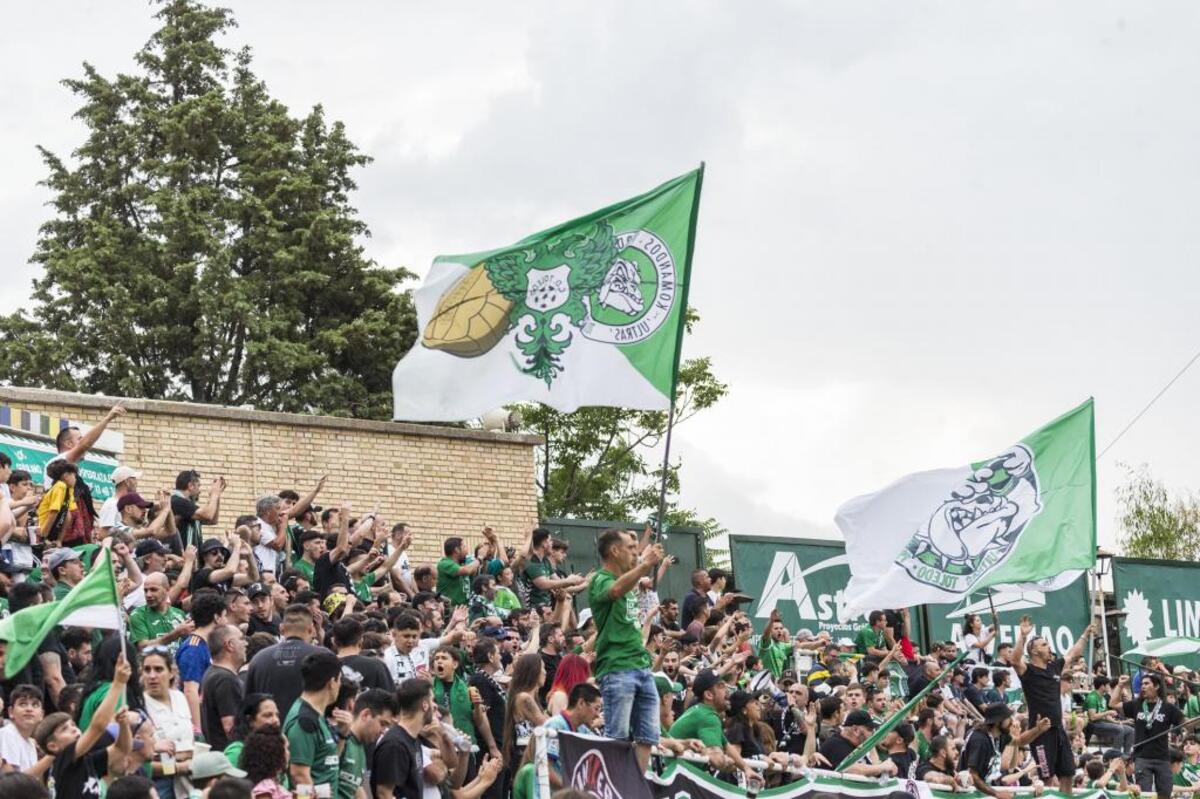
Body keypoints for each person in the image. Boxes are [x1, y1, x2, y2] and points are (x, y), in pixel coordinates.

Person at [589, 527, 664, 772]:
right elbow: (615, 590)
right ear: (614, 551)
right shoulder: (600, 579)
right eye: (630, 549)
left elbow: (631, 580)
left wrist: (647, 564)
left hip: (641, 666)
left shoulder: (630, 578)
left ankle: (635, 787)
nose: (635, 553)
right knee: (617, 737)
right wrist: (645, 565)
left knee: (648, 737)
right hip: (617, 667)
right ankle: (612, 787)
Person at [35, 649, 133, 799]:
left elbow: (122, 750)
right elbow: (98, 726)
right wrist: (118, 683)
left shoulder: (87, 760)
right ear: (53, 746)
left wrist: (124, 726)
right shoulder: (63, 759)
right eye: (64, 729)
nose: (74, 729)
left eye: (73, 725)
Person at [1013, 616, 1094, 794]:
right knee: (1047, 778)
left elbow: (1073, 653)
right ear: (1034, 651)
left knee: (1067, 774)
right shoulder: (1028, 671)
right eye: (1043, 644)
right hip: (1040, 732)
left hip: (1059, 730)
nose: (1048, 646)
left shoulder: (1054, 667)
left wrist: (1085, 635)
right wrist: (1023, 636)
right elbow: (1014, 660)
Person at [1111, 672, 1188, 799]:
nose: (1143, 687)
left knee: (1165, 795)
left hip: (1163, 758)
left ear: (1157, 686)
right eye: (1142, 684)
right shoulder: (1137, 704)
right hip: (1142, 757)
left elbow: (1187, 725)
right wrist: (1120, 685)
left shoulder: (1168, 708)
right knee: (1143, 795)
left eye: (1147, 683)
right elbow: (1113, 703)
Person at [244, 603, 325, 722]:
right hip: (309, 733)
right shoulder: (323, 658)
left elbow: (247, 706)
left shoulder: (259, 659)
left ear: (281, 629)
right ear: (311, 629)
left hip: (267, 735)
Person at [284, 650, 343, 794]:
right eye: (340, 679)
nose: (341, 684)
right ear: (331, 682)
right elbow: (299, 775)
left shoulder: (316, 715)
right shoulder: (304, 721)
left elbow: (328, 759)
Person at [141, 648, 195, 799]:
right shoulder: (139, 705)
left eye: (158, 669)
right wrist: (177, 767)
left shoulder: (179, 697)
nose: (152, 676)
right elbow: (138, 763)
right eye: (147, 670)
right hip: (158, 784)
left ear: (171, 672)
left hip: (188, 781)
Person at [372, 677, 433, 799]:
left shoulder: (412, 740)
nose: (435, 705)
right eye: (433, 700)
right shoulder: (395, 745)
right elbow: (384, 794)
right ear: (425, 705)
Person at [177, 589, 227, 728]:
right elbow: (190, 690)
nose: (227, 622)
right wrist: (197, 729)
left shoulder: (205, 645)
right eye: (225, 616)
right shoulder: (194, 649)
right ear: (217, 618)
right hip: (195, 723)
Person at [340, 688, 396, 799]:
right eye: (382, 723)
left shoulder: (360, 746)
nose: (383, 731)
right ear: (366, 715)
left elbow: (355, 787)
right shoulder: (341, 741)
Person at [200, 624, 247, 752]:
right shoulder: (224, 679)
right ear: (230, 645)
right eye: (242, 639)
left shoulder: (211, 673)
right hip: (230, 759)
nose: (246, 643)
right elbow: (230, 727)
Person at [543, 683, 603, 779]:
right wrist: (569, 789)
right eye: (596, 708)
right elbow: (545, 769)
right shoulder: (555, 726)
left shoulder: (582, 729)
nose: (597, 715)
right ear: (581, 703)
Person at [816, 709, 898, 778]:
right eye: (869, 730)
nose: (873, 733)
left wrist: (887, 768)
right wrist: (882, 767)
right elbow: (852, 770)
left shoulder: (857, 746)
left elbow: (873, 767)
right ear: (856, 730)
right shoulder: (835, 744)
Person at [129, 572, 192, 651]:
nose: (148, 595)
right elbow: (143, 647)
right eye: (145, 590)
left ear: (167, 589)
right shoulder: (138, 615)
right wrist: (175, 634)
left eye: (153, 590)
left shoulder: (179, 614)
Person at [171, 470, 226, 552]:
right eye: (198, 486)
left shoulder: (188, 505)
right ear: (190, 486)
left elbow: (213, 520)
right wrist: (214, 494)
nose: (200, 491)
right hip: (182, 559)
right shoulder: (177, 501)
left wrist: (217, 496)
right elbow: (208, 515)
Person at [0, 685, 47, 777]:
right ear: (11, 712)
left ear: (42, 715)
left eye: (35, 705)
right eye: (22, 704)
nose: (29, 709)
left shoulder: (31, 743)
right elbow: (10, 781)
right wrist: (50, 757)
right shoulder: (7, 734)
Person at [239, 726, 291, 799]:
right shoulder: (265, 788)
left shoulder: (266, 783)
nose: (289, 753)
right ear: (276, 753)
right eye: (286, 748)